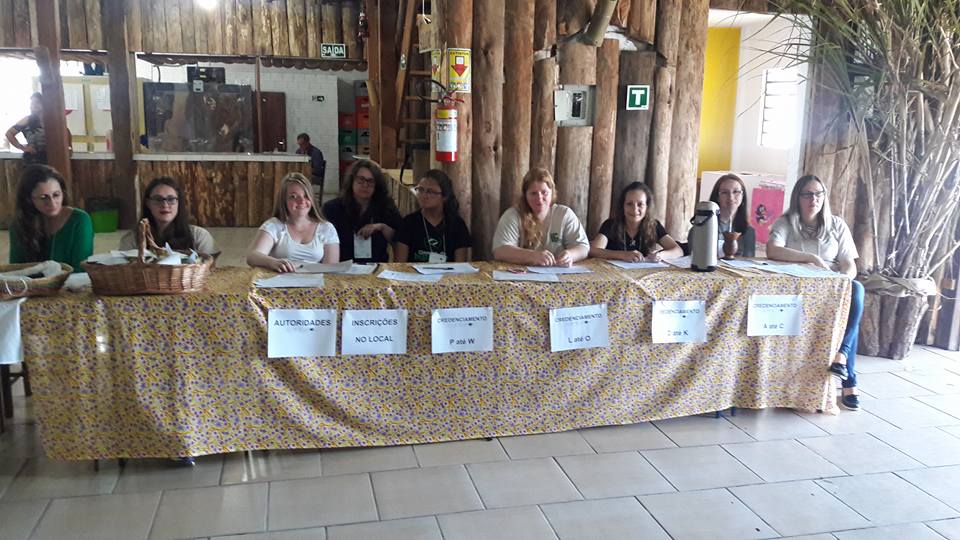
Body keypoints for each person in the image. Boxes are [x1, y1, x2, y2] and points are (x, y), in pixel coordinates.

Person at [767, 174, 864, 411]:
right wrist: (810, 258)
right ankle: (849, 381)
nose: (814, 199)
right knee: (851, 316)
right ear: (798, 198)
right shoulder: (786, 223)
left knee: (856, 290)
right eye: (808, 194)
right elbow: (773, 250)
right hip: (801, 289)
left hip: (832, 286)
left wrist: (842, 280)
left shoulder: (837, 224)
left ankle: (841, 356)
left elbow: (849, 264)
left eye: (819, 194)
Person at [492, 167, 589, 267]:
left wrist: (570, 255)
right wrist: (531, 256)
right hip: (521, 274)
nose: (539, 198)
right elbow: (500, 250)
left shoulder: (564, 214)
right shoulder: (512, 215)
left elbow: (583, 247)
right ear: (525, 195)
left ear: (552, 193)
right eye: (533, 193)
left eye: (544, 192)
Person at [247, 172, 339, 272]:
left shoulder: (327, 228)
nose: (301, 201)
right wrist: (272, 262)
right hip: (279, 280)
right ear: (284, 201)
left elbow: (331, 270)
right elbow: (252, 256)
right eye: (293, 196)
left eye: (306, 195)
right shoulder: (274, 225)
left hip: (314, 280)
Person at [9, 164, 93, 273]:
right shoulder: (19, 224)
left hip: (72, 282)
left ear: (63, 193)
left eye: (56, 195)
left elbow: (81, 269)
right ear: (28, 199)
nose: (52, 203)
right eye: (43, 197)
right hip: (31, 283)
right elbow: (16, 269)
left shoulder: (79, 220)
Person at [322, 160, 402, 264]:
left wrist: (381, 227)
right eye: (361, 179)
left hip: (376, 266)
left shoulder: (386, 206)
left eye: (370, 181)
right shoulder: (332, 208)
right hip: (343, 267)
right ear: (352, 181)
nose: (365, 185)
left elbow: (400, 239)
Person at [589, 182, 683, 263]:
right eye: (629, 204)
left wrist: (660, 255)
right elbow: (593, 251)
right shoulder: (611, 225)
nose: (634, 209)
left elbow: (678, 250)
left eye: (640, 204)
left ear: (647, 207)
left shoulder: (654, 225)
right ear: (623, 206)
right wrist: (621, 255)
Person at [119, 177, 216, 255]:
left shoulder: (199, 237)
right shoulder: (131, 240)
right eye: (158, 199)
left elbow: (209, 270)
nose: (165, 205)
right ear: (148, 203)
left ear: (178, 203)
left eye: (171, 199)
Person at [395, 169, 472, 263]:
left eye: (430, 192)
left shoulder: (457, 224)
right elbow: (400, 265)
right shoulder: (408, 223)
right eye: (420, 190)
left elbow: (460, 265)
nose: (424, 195)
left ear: (445, 196)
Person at [709, 173, 756, 257]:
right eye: (724, 192)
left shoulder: (748, 231)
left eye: (736, 192)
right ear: (717, 197)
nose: (731, 197)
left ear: (742, 196)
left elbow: (748, 260)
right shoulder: (703, 228)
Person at [6, 93, 48, 165]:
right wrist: (22, 147)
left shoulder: (51, 120)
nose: (34, 105)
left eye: (37, 102)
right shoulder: (27, 120)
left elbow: (65, 134)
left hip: (50, 157)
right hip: (33, 158)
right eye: (32, 103)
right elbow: (9, 133)